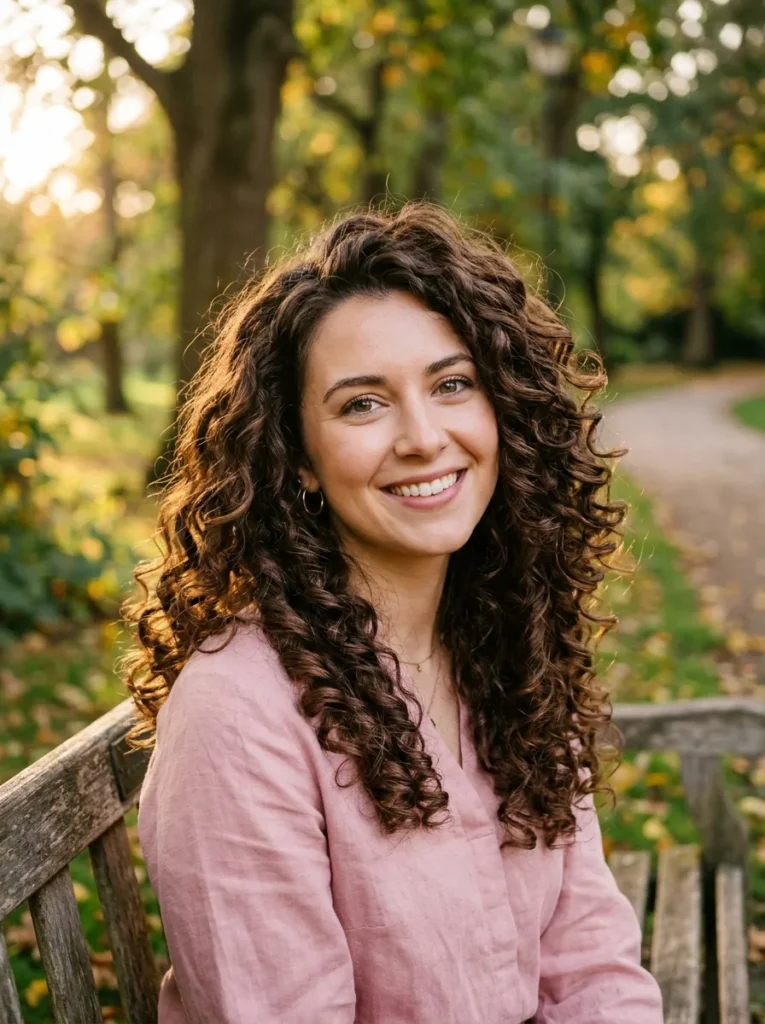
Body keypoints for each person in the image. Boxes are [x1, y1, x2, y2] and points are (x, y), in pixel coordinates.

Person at [125, 201, 664, 1023]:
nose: (422, 436)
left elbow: (589, 962)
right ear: (298, 459)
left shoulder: (500, 644)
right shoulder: (240, 711)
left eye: (451, 385)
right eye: (361, 404)